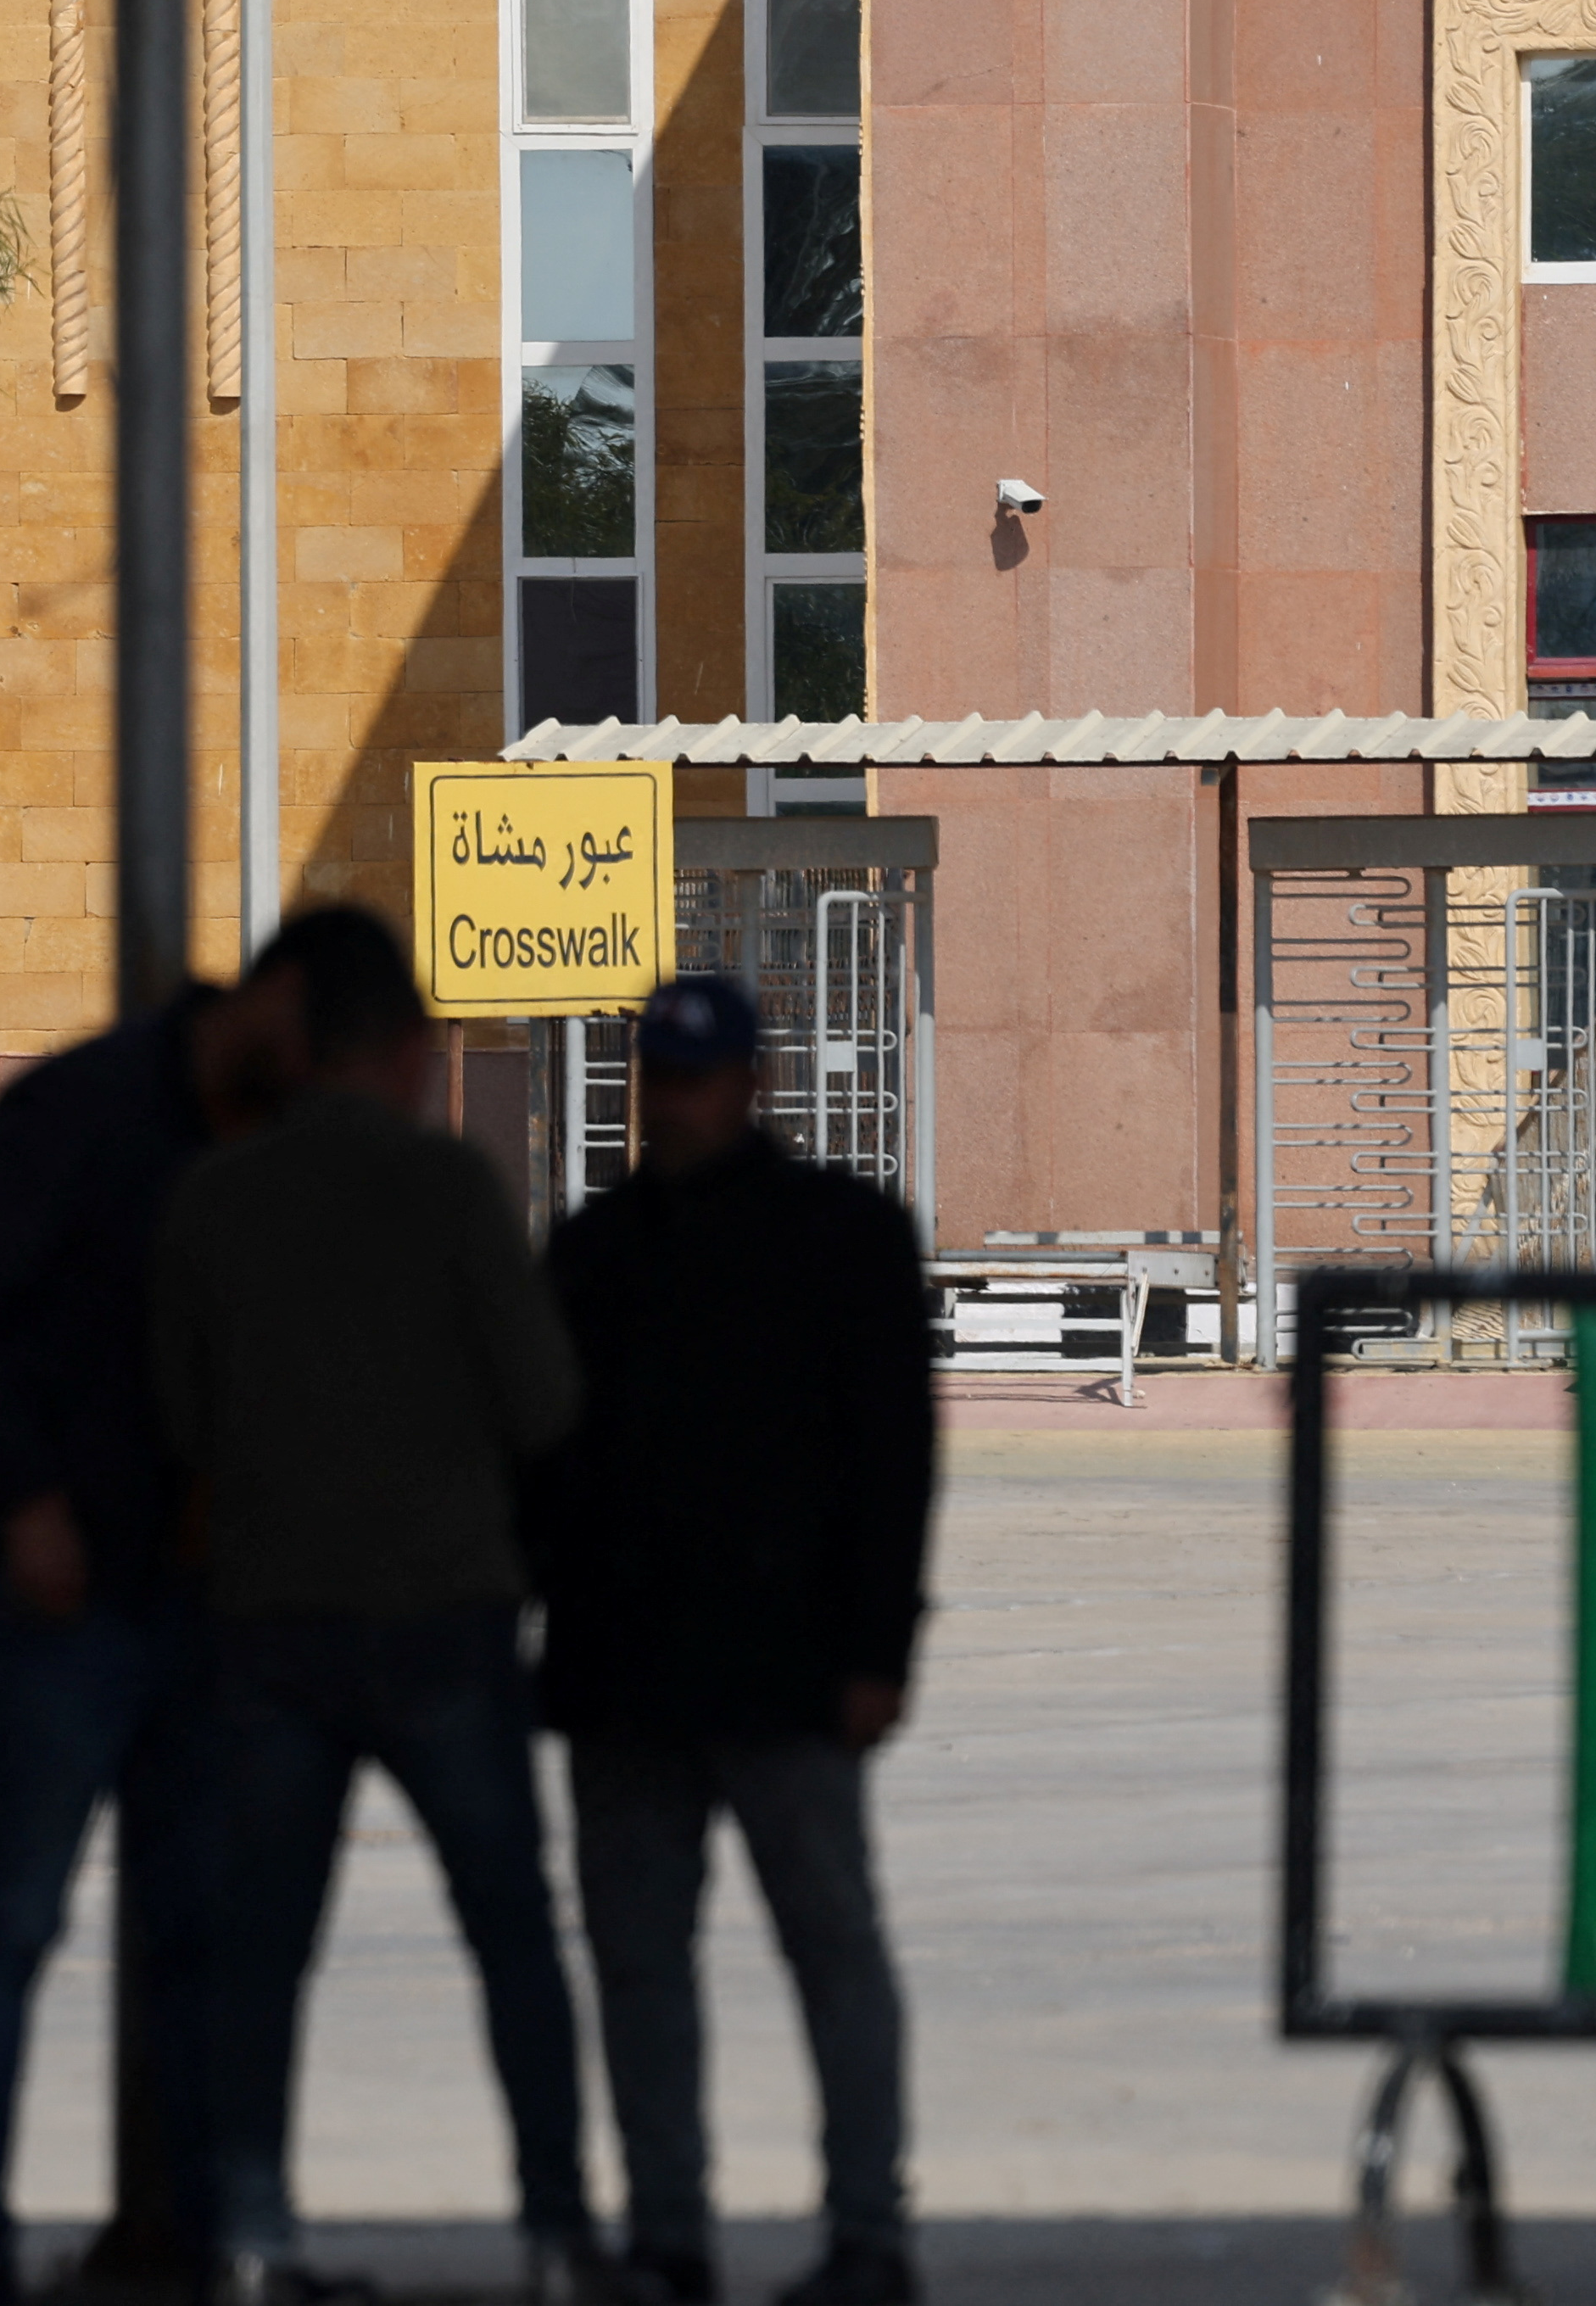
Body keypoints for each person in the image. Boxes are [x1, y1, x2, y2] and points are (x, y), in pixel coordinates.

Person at [152, 905, 619, 2306]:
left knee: (261, 1951)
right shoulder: (451, 1189)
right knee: (511, 1932)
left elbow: (177, 1426)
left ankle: (247, 2236)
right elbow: (547, 1400)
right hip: (446, 1620)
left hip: (273, 1621)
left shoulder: (211, 1200)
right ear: (407, 1046)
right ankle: (551, 2232)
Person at [0, 939, 313, 2306]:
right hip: (66, 1601)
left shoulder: (279, 1131)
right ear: (262, 1007)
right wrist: (24, 1498)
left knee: (200, 1934)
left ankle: (198, 2236)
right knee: (11, 1922)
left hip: (204, 1607)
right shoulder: (80, 1111)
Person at [535, 975, 937, 2306]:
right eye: (660, 1074)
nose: (680, 1099)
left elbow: (894, 1459)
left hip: (791, 1670)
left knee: (832, 1947)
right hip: (630, 1677)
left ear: (754, 1081)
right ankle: (668, 2237)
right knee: (643, 1968)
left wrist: (879, 1649)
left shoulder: (843, 1235)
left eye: (701, 1075)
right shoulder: (596, 1250)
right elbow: (544, 1463)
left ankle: (867, 2230)